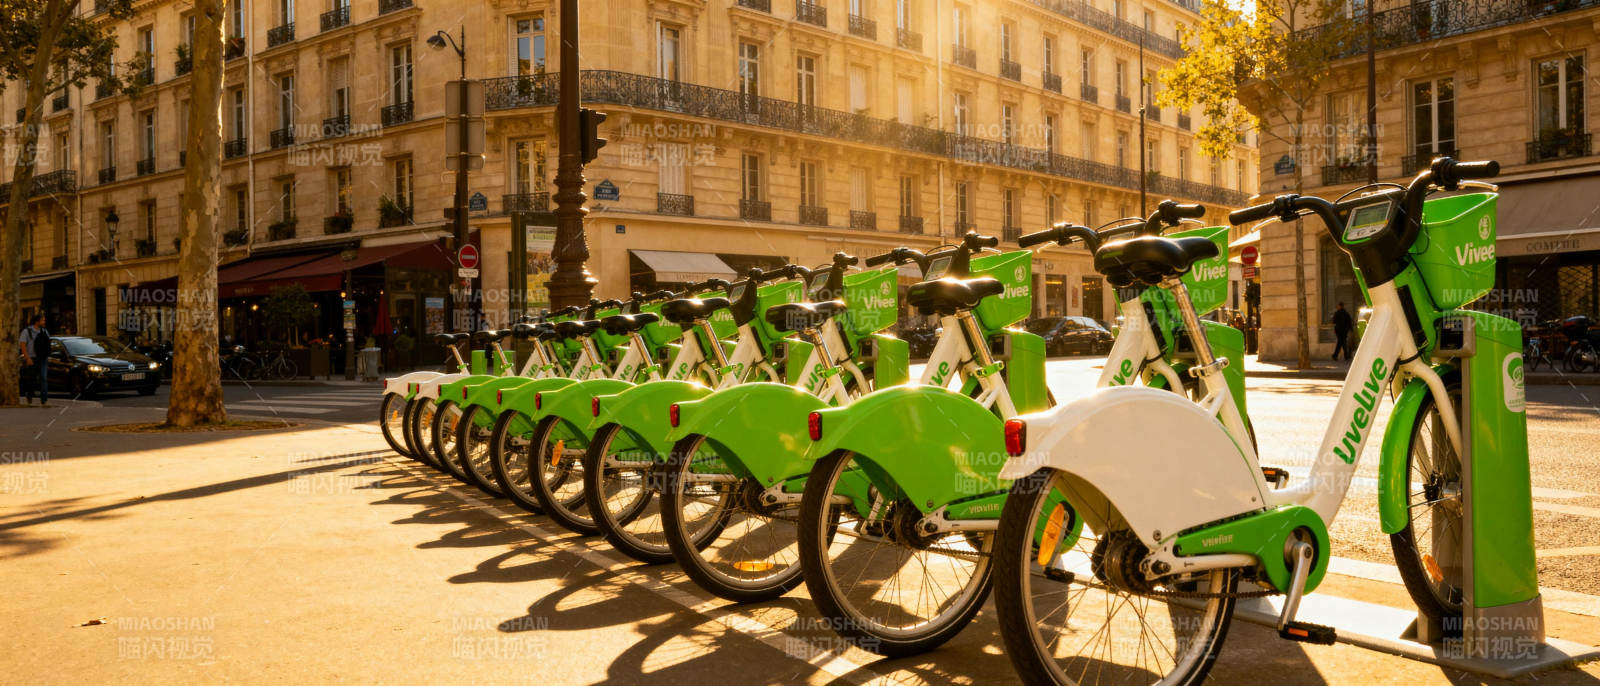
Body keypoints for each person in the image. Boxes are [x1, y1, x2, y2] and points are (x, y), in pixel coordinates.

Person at [19, 313, 50, 406]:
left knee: (44, 378)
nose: (44, 322)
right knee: (31, 379)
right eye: (42, 320)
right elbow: (23, 345)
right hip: (32, 358)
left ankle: (44, 400)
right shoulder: (27, 331)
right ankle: (29, 395)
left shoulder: (44, 331)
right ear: (37, 321)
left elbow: (48, 343)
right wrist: (27, 358)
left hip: (43, 358)